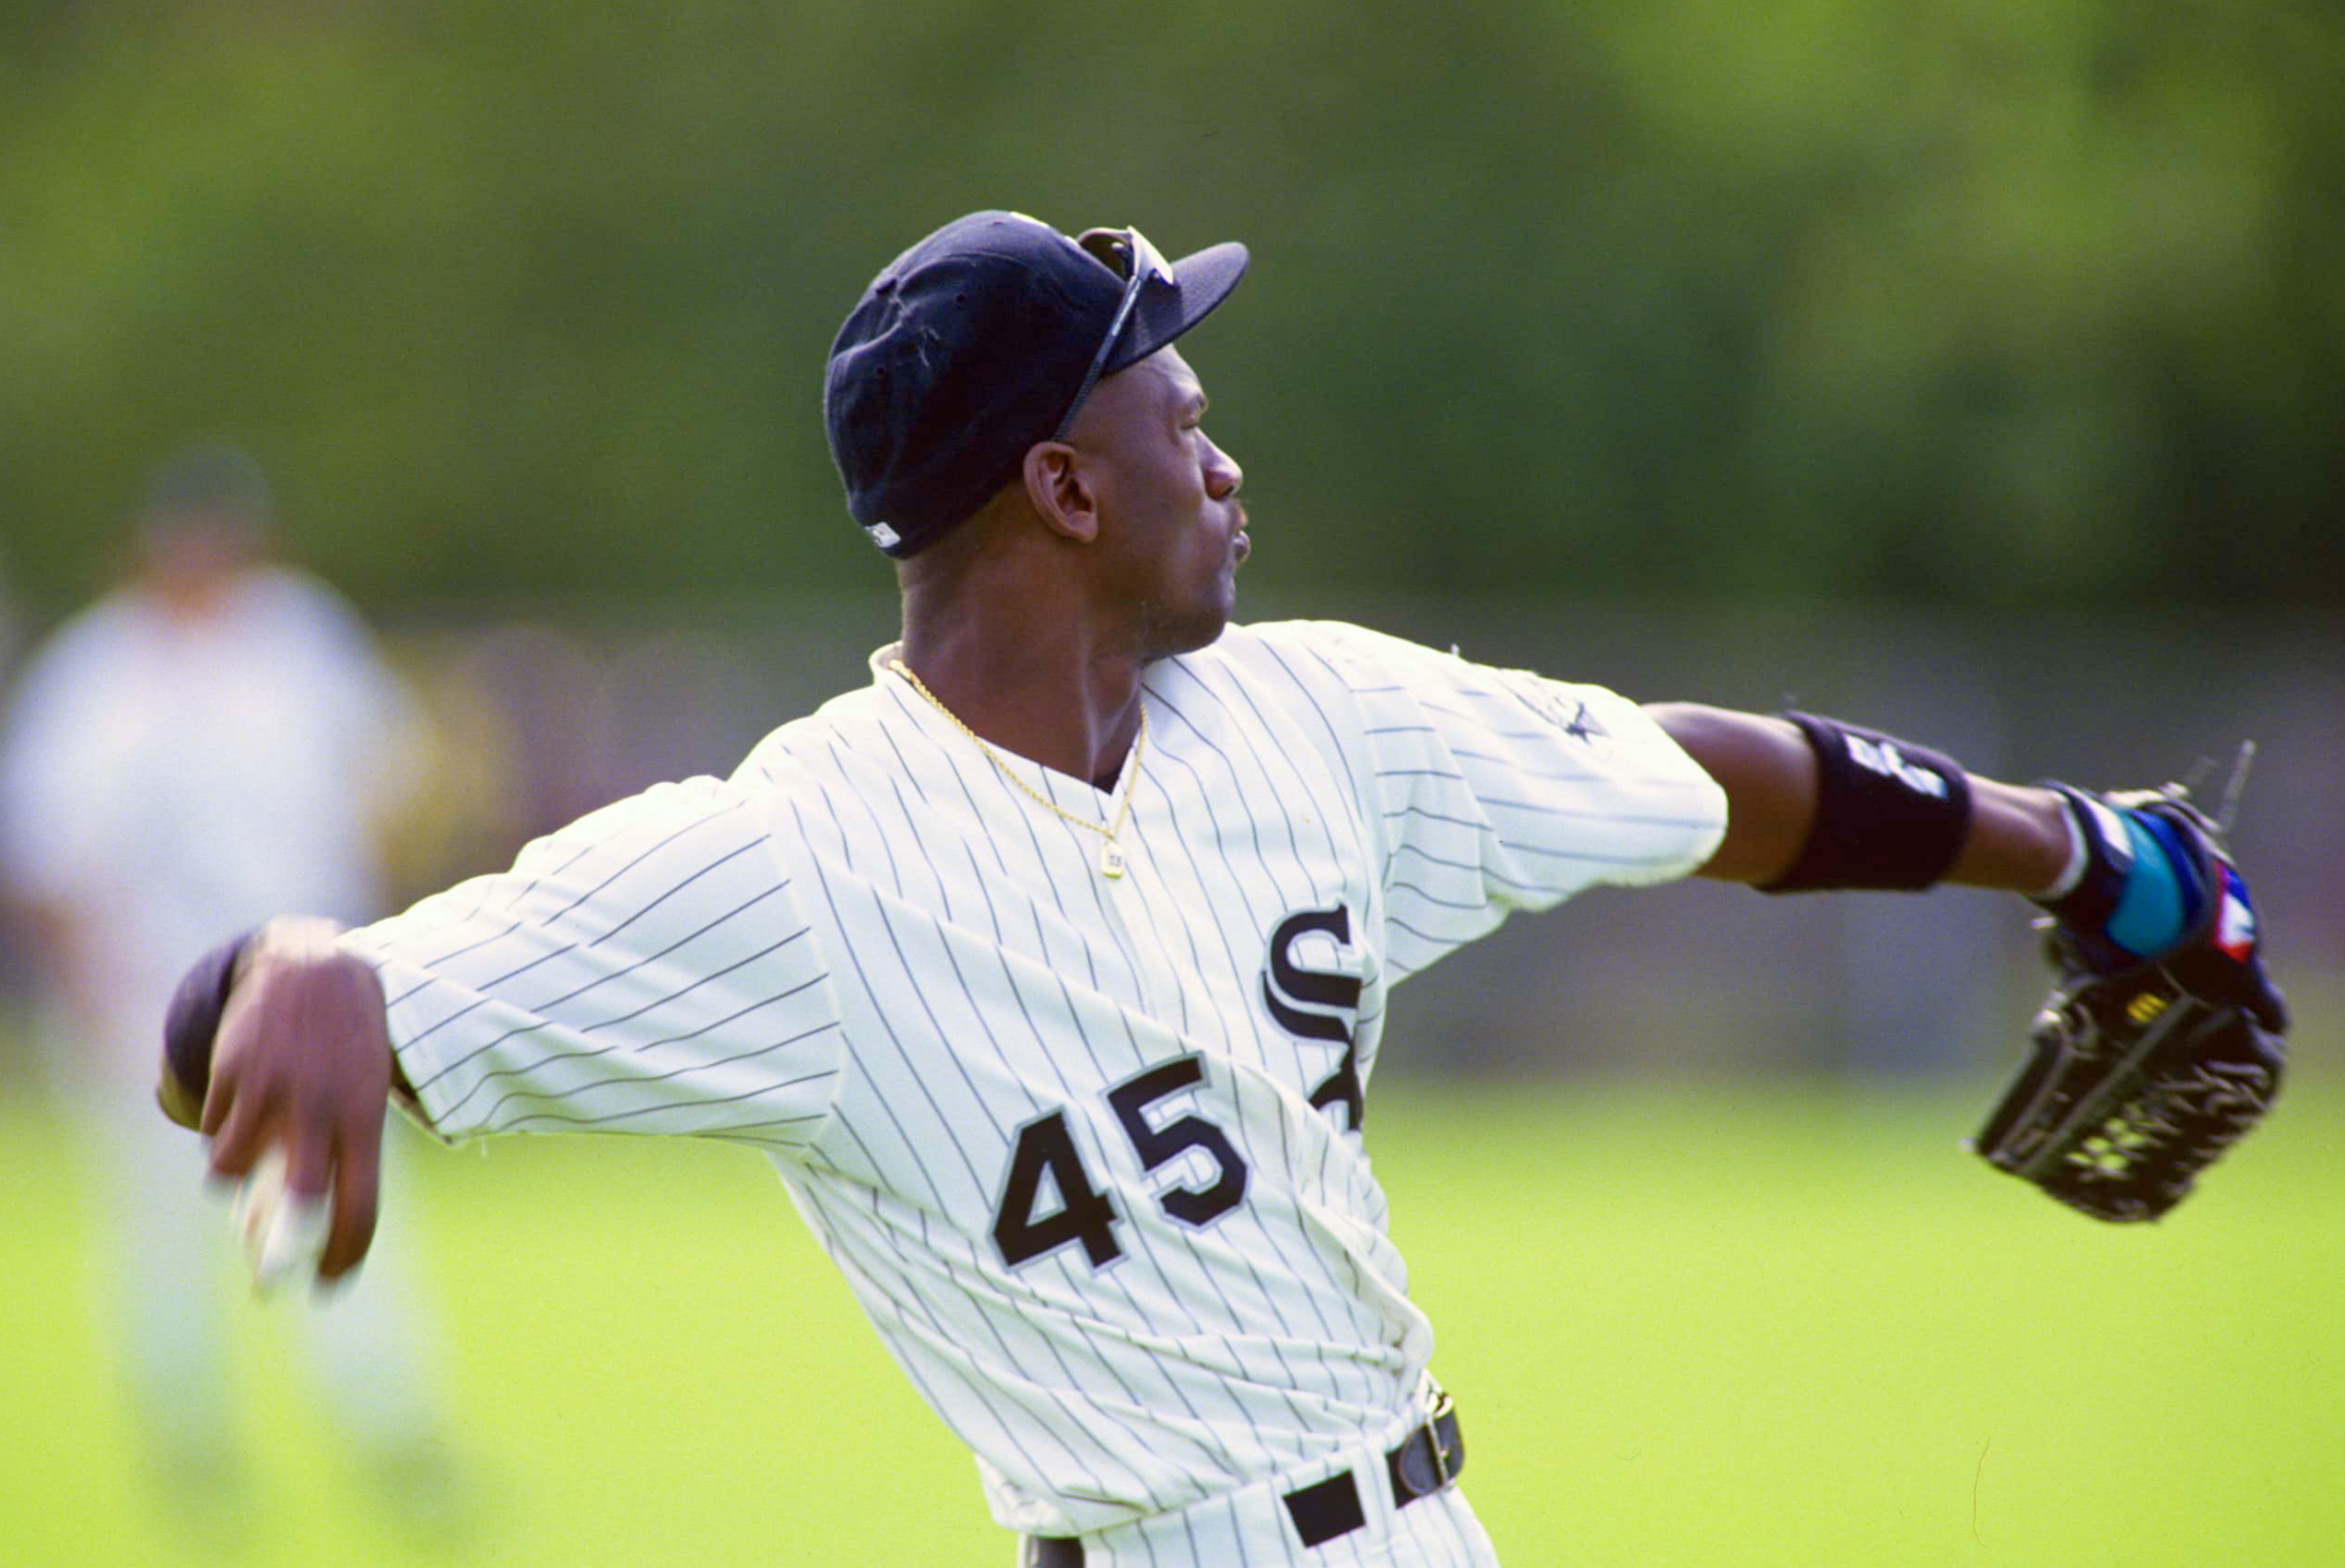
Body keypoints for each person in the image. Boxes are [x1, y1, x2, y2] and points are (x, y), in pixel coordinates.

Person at [153, 215, 2269, 1566]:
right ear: (1061, 490)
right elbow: (255, 1020)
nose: (1222, 458)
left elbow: (1699, 781)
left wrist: (2088, 851)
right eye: (1181, 415)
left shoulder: (1315, 726)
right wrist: (303, 964)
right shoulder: (787, 871)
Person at [0, 445, 466, 1539]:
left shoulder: (296, 638)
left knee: (340, 1195)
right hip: (150, 993)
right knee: (164, 1226)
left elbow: (392, 777)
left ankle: (386, 1419)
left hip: (304, 978)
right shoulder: (101, 673)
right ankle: (189, 1432)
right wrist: (90, 994)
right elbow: (48, 857)